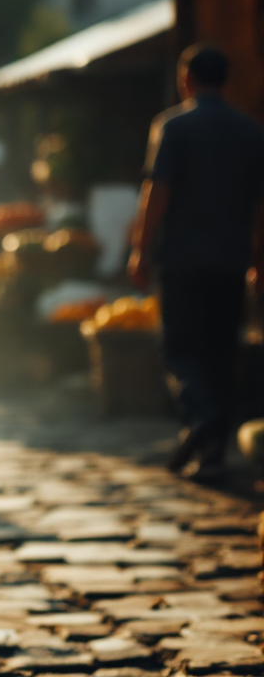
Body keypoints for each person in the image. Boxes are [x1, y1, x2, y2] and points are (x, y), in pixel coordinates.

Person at [128, 44, 264, 481]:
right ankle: (214, 453)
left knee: (181, 350)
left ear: (186, 79)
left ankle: (201, 416)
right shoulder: (249, 131)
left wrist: (140, 249)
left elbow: (158, 192)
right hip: (230, 259)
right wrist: (257, 257)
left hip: (183, 258)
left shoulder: (172, 127)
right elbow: (260, 204)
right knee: (222, 351)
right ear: (224, 80)